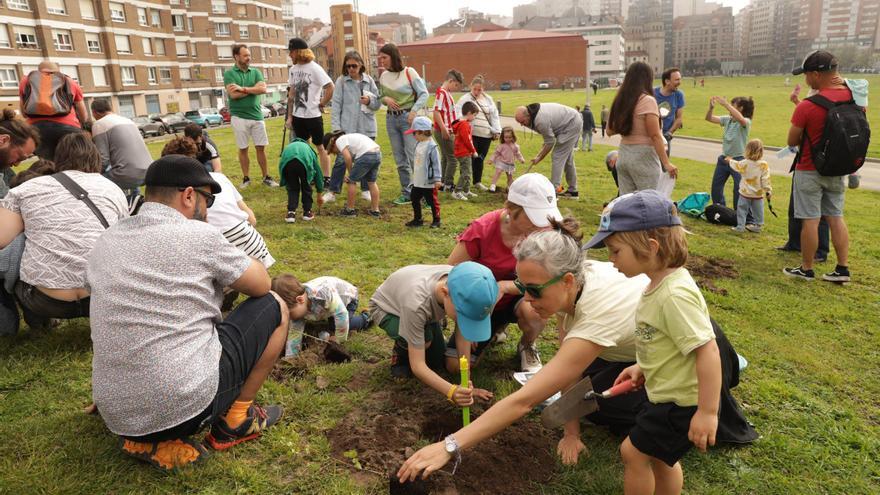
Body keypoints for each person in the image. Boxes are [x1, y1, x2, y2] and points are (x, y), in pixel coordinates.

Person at [397, 214, 756, 480]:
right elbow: (570, 368)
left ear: (567, 281)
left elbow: (526, 400)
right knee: (590, 396)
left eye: (534, 290)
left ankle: (721, 384)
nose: (527, 298)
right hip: (643, 354)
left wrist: (449, 446)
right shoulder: (574, 284)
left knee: (608, 408)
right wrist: (571, 433)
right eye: (523, 286)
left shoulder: (597, 310)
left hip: (691, 352)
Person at [87, 154, 288, 470]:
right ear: (189, 195)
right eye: (207, 200)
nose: (206, 211)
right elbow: (261, 284)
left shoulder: (109, 237)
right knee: (275, 305)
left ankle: (139, 426)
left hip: (114, 407)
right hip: (179, 408)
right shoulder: (199, 235)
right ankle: (236, 420)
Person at [589, 190, 722, 495]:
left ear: (649, 247)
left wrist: (707, 412)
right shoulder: (657, 284)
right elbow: (667, 342)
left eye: (615, 251)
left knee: (632, 453)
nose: (610, 261)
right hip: (664, 395)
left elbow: (707, 351)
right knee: (661, 458)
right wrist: (642, 367)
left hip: (680, 403)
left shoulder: (674, 296)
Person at [0, 132, 127, 331]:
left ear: (58, 159)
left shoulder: (26, 189)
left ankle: (38, 323)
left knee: (20, 240)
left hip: (42, 299)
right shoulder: (112, 188)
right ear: (95, 158)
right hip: (101, 298)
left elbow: (2, 239)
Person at [447, 173, 568, 373]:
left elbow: (548, 280)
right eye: (533, 217)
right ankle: (495, 328)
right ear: (510, 209)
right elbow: (451, 274)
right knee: (455, 367)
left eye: (545, 216)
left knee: (535, 312)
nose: (541, 225)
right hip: (484, 304)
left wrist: (503, 286)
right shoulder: (482, 229)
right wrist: (469, 318)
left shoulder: (546, 230)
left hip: (520, 297)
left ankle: (527, 344)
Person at [369, 262, 498, 406]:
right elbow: (418, 366)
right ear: (444, 293)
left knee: (436, 362)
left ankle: (425, 328)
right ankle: (400, 355)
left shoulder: (465, 282)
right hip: (388, 309)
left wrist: (465, 382)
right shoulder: (416, 305)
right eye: (463, 316)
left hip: (423, 311)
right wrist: (452, 391)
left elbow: (463, 335)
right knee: (424, 343)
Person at [783, 50, 859, 283]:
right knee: (836, 216)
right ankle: (842, 269)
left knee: (811, 220)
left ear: (816, 74)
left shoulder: (807, 106)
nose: (805, 79)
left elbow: (791, 141)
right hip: (838, 167)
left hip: (810, 168)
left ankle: (806, 268)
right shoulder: (854, 98)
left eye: (807, 74)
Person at [160, 137, 274, 268]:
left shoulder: (173, 195)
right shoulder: (219, 177)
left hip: (218, 254)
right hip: (254, 247)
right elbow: (251, 218)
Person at [607, 62, 678, 194]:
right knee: (650, 202)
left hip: (623, 156)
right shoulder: (647, 101)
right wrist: (666, 163)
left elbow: (609, 130)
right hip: (644, 158)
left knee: (628, 204)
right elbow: (655, 135)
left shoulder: (620, 100)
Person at [0, 111, 40, 334]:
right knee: (27, 243)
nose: (17, 164)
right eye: (20, 156)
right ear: (3, 140)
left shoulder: (2, 170)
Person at [377, 43, 429, 206]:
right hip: (391, 120)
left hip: (408, 118)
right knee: (400, 159)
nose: (382, 61)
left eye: (384, 58)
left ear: (393, 56)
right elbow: (381, 96)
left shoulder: (409, 72)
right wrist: (385, 99)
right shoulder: (383, 76)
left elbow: (424, 94)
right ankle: (407, 193)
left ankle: (424, 194)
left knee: (414, 156)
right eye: (380, 58)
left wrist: (413, 111)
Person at [327, 51, 381, 203]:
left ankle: (365, 190)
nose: (351, 69)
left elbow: (378, 104)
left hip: (367, 127)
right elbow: (336, 106)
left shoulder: (369, 81)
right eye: (348, 66)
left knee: (366, 161)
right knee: (340, 161)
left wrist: (369, 101)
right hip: (347, 128)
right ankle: (332, 191)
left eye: (354, 66)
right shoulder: (341, 82)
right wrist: (337, 129)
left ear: (361, 65)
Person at [224, 44, 278, 188]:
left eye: (249, 55)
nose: (248, 58)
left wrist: (243, 89)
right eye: (245, 55)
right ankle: (246, 178)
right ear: (236, 56)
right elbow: (233, 95)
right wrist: (253, 90)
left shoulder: (256, 72)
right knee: (243, 148)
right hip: (239, 117)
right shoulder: (229, 74)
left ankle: (266, 177)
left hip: (257, 116)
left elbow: (263, 89)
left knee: (261, 148)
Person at [272, 273, 370, 345]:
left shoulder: (323, 295)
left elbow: (341, 314)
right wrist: (291, 357)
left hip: (347, 300)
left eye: (289, 314)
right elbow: (295, 331)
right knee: (297, 321)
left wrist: (339, 339)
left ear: (300, 300)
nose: (288, 318)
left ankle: (366, 318)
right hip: (327, 308)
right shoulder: (296, 304)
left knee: (336, 325)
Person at [18, 61, 89, 161]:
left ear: (39, 71)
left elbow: (24, 113)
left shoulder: (26, 81)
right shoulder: (69, 81)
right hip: (68, 128)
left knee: (48, 164)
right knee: (74, 161)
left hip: (37, 129)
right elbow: (83, 115)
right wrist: (82, 122)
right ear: (58, 71)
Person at [286, 37, 334, 180]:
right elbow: (291, 95)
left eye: (291, 52)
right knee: (303, 148)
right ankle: (309, 175)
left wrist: (322, 103)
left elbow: (330, 87)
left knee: (320, 147)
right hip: (298, 116)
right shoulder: (293, 70)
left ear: (299, 52)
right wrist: (289, 116)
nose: (290, 55)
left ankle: (326, 178)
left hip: (313, 116)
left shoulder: (314, 68)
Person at [514, 103, 581, 199]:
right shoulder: (531, 116)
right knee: (567, 159)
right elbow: (547, 139)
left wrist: (539, 158)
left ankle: (553, 192)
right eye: (519, 123)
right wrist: (539, 154)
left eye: (522, 122)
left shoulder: (540, 120)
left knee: (557, 156)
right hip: (566, 124)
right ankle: (573, 191)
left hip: (571, 124)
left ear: (527, 115)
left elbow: (550, 142)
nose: (521, 125)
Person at [90, 99, 152, 197]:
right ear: (110, 108)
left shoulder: (99, 124)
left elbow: (103, 159)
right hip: (148, 172)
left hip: (127, 175)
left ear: (94, 112)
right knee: (124, 171)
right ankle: (134, 202)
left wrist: (91, 176)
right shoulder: (129, 121)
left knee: (94, 184)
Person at [706, 96, 754, 210]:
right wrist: (711, 108)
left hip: (738, 160)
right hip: (723, 159)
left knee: (738, 189)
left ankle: (739, 214)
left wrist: (726, 104)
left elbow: (741, 119)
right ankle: (720, 210)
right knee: (716, 187)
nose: (730, 108)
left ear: (741, 108)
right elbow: (709, 118)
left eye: (733, 106)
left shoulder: (746, 122)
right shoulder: (728, 119)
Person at [456, 75, 502, 192]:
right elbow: (458, 114)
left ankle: (477, 182)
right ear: (471, 87)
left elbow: (494, 116)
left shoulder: (488, 99)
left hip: (486, 134)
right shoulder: (465, 99)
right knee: (468, 160)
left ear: (483, 89)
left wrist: (496, 130)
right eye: (474, 89)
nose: (476, 92)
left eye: (479, 89)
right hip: (471, 135)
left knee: (480, 159)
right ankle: (465, 184)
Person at [322, 130, 381, 218]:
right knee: (372, 182)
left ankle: (350, 210)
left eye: (332, 151)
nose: (335, 153)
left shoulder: (339, 141)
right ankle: (375, 210)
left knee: (351, 182)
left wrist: (350, 174)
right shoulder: (348, 139)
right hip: (377, 154)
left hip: (366, 155)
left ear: (332, 144)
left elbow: (348, 158)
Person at [726, 139, 771, 233]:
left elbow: (736, 165)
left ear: (747, 150)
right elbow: (765, 179)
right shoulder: (764, 165)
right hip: (758, 194)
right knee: (758, 211)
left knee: (742, 210)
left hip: (745, 193)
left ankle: (740, 226)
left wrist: (730, 160)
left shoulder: (744, 162)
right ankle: (758, 226)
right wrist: (768, 190)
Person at [405, 116, 442, 228]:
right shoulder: (419, 144)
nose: (413, 136)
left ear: (421, 132)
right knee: (414, 198)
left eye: (414, 133)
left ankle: (436, 220)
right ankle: (418, 219)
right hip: (418, 180)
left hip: (428, 182)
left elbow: (436, 164)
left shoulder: (432, 146)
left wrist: (437, 179)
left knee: (432, 201)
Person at [279, 138, 324, 223]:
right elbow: (318, 173)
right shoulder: (309, 149)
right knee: (306, 186)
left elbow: (281, 163)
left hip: (288, 163)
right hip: (303, 163)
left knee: (292, 187)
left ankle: (291, 213)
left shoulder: (288, 147)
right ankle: (307, 212)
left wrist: (284, 180)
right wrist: (319, 193)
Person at [432, 69, 463, 191]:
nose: (456, 88)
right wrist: (444, 129)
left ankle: (442, 182)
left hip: (447, 130)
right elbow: (436, 112)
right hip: (444, 131)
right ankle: (448, 184)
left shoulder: (447, 93)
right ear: (451, 81)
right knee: (452, 158)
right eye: (456, 85)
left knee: (445, 157)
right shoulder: (441, 93)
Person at [450, 101, 479, 200]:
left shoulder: (461, 123)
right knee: (466, 172)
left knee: (467, 171)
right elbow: (467, 139)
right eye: (474, 115)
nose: (474, 117)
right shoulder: (464, 124)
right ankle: (457, 191)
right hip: (464, 152)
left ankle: (466, 190)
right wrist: (473, 150)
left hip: (462, 152)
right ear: (469, 113)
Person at [654, 68, 685, 153]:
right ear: (667, 81)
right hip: (651, 136)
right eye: (677, 80)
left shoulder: (679, 95)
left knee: (665, 165)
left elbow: (679, 118)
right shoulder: (652, 93)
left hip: (665, 137)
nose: (679, 82)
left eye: (680, 79)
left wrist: (669, 133)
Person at [487, 126, 524, 192]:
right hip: (501, 162)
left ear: (513, 137)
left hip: (510, 163)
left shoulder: (515, 146)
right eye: (506, 137)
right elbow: (496, 153)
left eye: (510, 137)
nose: (508, 139)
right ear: (503, 138)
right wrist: (491, 159)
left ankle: (510, 187)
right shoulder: (502, 146)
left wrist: (521, 159)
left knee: (510, 176)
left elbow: (518, 154)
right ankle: (493, 185)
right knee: (498, 172)